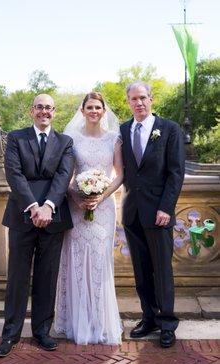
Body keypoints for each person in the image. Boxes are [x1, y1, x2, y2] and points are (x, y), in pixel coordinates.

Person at [0, 94, 74, 357]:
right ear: (31, 111)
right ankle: (10, 335)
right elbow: (14, 174)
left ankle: (41, 332)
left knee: (46, 277)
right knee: (17, 277)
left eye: (48, 108)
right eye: (39, 107)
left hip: (54, 217)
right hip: (21, 214)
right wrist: (33, 207)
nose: (44, 112)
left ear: (54, 111)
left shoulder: (65, 142)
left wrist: (48, 206)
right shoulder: (16, 138)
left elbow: (63, 176)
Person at [54, 92, 123, 345]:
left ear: (104, 111)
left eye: (98, 107)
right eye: (90, 107)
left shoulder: (114, 139)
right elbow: (67, 175)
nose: (94, 111)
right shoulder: (71, 139)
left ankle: (100, 323)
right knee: (75, 259)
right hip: (76, 207)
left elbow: (119, 175)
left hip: (103, 209)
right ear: (82, 110)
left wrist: (99, 197)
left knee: (99, 260)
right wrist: (77, 195)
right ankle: (76, 323)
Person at [120, 81, 185, 348]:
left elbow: (175, 173)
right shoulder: (124, 129)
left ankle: (167, 322)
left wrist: (166, 208)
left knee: (162, 269)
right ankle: (149, 318)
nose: (139, 103)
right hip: (133, 212)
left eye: (143, 98)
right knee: (141, 270)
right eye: (134, 99)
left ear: (152, 99)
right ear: (128, 102)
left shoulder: (169, 129)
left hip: (159, 213)